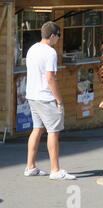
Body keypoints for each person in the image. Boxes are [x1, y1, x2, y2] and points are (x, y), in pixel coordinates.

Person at [24, 22, 76, 180]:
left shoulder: (32, 48)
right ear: (52, 36)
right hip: (46, 97)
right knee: (53, 132)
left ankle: (30, 167)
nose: (59, 39)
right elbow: (50, 78)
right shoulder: (50, 52)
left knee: (37, 130)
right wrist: (59, 100)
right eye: (58, 36)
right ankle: (55, 170)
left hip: (32, 95)